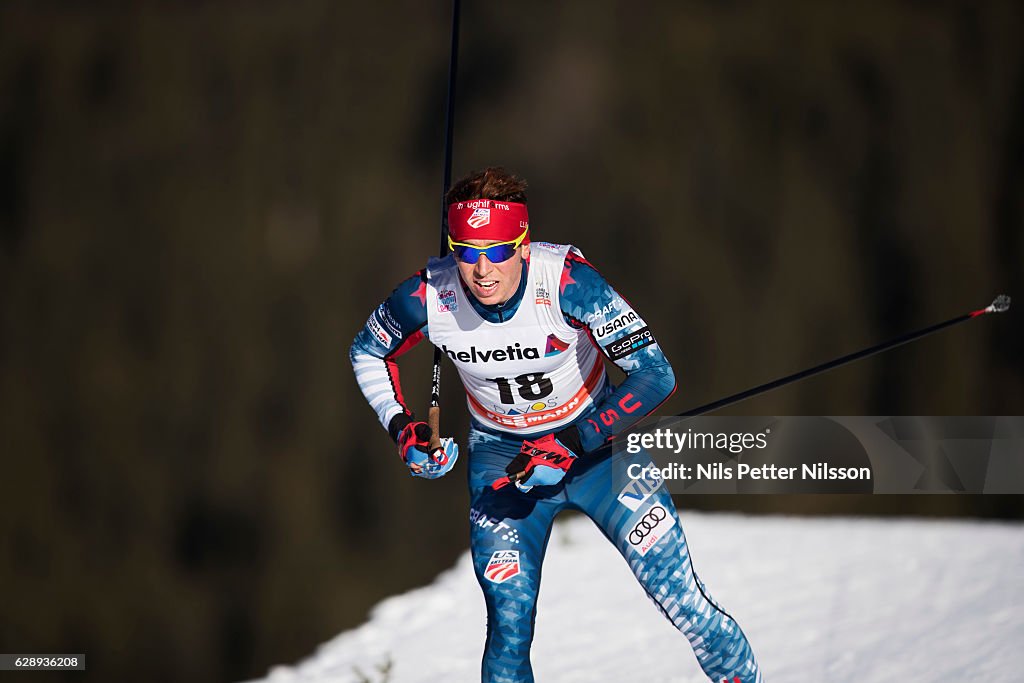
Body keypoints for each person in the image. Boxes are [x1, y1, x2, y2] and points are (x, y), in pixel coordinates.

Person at [350, 167, 764, 683]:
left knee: (681, 600)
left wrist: (574, 442)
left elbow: (655, 376)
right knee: (509, 624)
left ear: (523, 245)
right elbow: (367, 351)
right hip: (503, 460)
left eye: (498, 251)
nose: (482, 270)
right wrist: (403, 429)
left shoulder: (567, 282)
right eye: (467, 251)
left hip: (598, 453)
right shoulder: (428, 296)